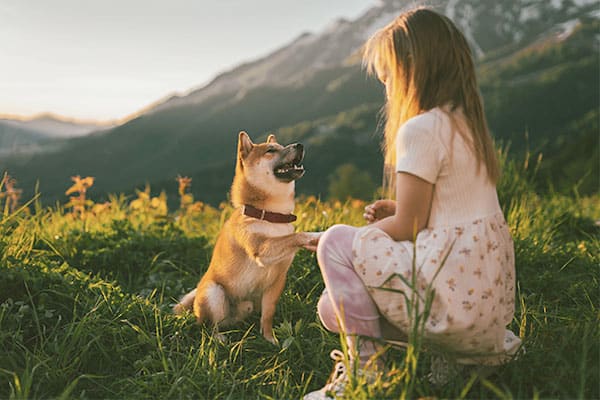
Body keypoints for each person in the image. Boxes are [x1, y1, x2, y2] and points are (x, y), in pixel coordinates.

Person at [303, 7, 522, 399]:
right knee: (329, 305)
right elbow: (445, 214)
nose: (386, 89)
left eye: (387, 79)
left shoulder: (420, 129)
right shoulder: (465, 123)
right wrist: (400, 209)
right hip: (483, 315)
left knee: (336, 246)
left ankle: (365, 373)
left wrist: (345, 240)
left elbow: (409, 228)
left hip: (452, 309)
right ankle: (455, 359)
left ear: (409, 71)